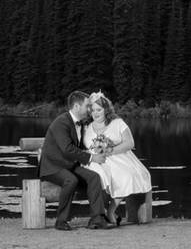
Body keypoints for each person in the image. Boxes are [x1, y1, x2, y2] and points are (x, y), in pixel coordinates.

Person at [38, 90, 114, 230]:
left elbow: (82, 144)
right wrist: (92, 157)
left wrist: (101, 148)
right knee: (71, 180)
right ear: (77, 107)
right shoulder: (62, 122)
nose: (89, 109)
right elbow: (67, 149)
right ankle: (61, 221)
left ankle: (97, 218)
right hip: (53, 167)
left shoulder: (80, 123)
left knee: (94, 177)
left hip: (69, 165)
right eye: (87, 106)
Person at [82, 91, 152, 225]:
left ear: (106, 109)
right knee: (100, 176)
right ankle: (100, 215)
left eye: (99, 110)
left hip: (118, 156)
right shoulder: (87, 127)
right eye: (93, 110)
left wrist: (110, 149)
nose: (95, 113)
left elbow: (130, 143)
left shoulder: (117, 122)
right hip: (96, 160)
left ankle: (111, 210)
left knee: (126, 176)